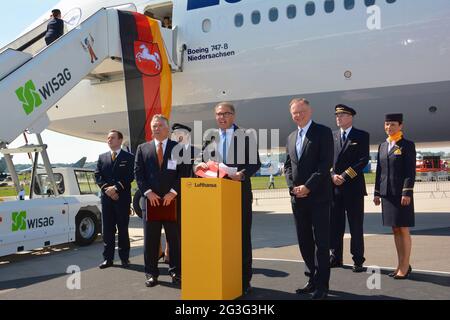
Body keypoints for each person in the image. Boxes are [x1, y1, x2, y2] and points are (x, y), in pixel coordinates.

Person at [195, 102, 261, 295]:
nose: (221, 117)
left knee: (241, 238)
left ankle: (244, 280)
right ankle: (223, 275)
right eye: (218, 114)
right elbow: (201, 159)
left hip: (238, 193)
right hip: (215, 196)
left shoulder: (246, 136)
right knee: (220, 238)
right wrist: (200, 165)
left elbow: (255, 163)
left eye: (225, 113)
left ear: (233, 115)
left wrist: (241, 174)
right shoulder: (211, 137)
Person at [284, 98, 334, 300]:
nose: (298, 115)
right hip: (298, 199)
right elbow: (287, 166)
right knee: (304, 241)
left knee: (321, 243)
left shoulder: (323, 132)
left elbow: (325, 164)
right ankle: (311, 278)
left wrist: (308, 186)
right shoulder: (290, 137)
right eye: (295, 113)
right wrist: (292, 188)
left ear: (310, 111)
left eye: (301, 111)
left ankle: (322, 285)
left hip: (319, 197)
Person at [135, 115, 181, 287]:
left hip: (172, 202)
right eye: (154, 126)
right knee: (151, 240)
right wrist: (148, 193)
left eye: (160, 125)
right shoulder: (142, 148)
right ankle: (151, 273)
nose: (156, 128)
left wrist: (173, 193)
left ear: (167, 128)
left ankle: (176, 271)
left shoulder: (178, 148)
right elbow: (138, 174)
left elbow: (183, 173)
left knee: (174, 239)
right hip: (151, 203)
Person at [374, 113, 416, 279]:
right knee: (395, 228)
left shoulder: (407, 145)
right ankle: (400, 264)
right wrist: (377, 193)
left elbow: (409, 171)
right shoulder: (383, 146)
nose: (389, 127)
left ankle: (404, 266)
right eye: (386, 124)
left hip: (401, 194)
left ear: (400, 126)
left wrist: (407, 192)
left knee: (403, 228)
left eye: (392, 124)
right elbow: (379, 171)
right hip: (387, 194)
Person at [329, 104, 370, 272]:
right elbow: (327, 160)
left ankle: (358, 259)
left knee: (355, 225)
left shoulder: (361, 135)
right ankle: (336, 257)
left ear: (351, 117)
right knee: (335, 225)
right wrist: (332, 175)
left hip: (353, 188)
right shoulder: (331, 136)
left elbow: (363, 160)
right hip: (334, 187)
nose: (338, 117)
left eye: (342, 115)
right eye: (337, 115)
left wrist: (344, 176)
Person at [95, 130, 135, 269]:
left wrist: (116, 188)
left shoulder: (129, 157)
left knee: (123, 229)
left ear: (120, 140)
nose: (109, 140)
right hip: (107, 199)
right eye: (108, 138)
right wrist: (108, 190)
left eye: (112, 138)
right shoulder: (102, 157)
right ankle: (108, 258)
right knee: (108, 230)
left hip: (122, 199)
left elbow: (130, 176)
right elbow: (98, 176)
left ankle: (125, 258)